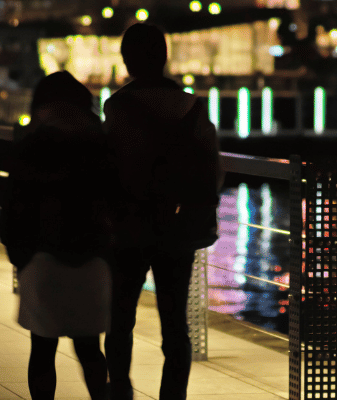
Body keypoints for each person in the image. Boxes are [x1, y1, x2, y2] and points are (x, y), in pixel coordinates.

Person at [103, 23, 223, 400]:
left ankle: (120, 391)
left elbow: (109, 166)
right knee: (175, 326)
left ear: (127, 60)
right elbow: (214, 169)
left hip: (128, 225)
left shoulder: (117, 107)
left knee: (120, 318)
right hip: (178, 226)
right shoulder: (191, 106)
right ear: (164, 57)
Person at [0, 71, 115, 400]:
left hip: (42, 259)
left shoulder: (31, 144)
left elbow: (12, 208)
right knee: (90, 348)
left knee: (42, 350)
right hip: (91, 259)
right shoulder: (100, 145)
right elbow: (115, 202)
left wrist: (20, 258)